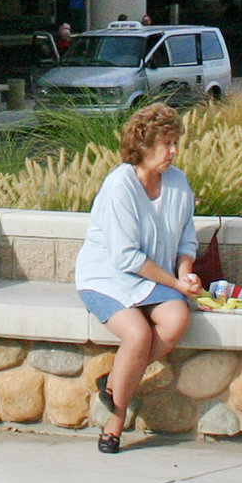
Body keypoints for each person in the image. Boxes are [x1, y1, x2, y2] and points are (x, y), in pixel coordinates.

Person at [75, 102, 201, 453]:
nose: (173, 152)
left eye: (175, 143)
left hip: (154, 279)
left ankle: (114, 380)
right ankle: (115, 422)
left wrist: (185, 272)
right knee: (138, 334)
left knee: (176, 320)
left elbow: (187, 237)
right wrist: (175, 284)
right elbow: (125, 257)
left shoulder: (177, 182)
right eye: (166, 144)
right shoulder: (119, 187)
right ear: (142, 146)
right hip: (107, 277)